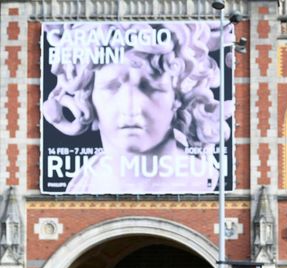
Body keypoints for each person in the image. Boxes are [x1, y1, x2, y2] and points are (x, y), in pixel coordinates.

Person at [42, 22, 230, 194]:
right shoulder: (82, 185)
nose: (131, 106)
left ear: (179, 96)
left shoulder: (203, 180)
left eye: (151, 87)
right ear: (87, 98)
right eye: (112, 86)